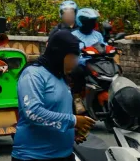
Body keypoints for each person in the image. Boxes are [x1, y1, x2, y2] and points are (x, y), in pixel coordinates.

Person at [12, 30, 96, 161]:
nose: (76, 62)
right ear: (60, 54)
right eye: (73, 57)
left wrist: (71, 131)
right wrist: (73, 121)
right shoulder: (33, 75)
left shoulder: (61, 77)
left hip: (64, 155)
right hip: (34, 157)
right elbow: (32, 113)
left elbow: (58, 112)